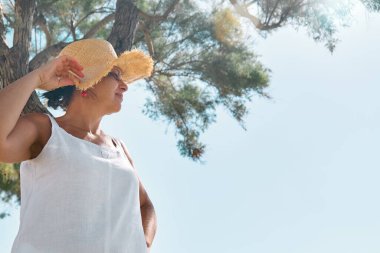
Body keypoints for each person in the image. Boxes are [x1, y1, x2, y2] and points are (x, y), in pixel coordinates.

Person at [0, 38, 157, 253]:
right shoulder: (46, 130)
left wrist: (143, 244)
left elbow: (146, 206)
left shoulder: (119, 148)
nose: (125, 86)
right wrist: (37, 77)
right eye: (115, 75)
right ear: (87, 81)